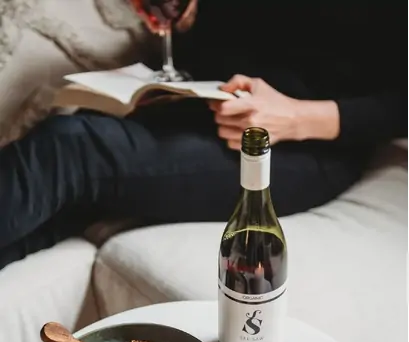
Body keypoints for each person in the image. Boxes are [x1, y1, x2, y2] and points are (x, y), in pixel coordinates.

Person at [0, 1, 406, 270]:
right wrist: (195, 14)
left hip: (301, 143)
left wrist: (296, 118)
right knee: (70, 179)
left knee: (69, 149)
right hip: (207, 95)